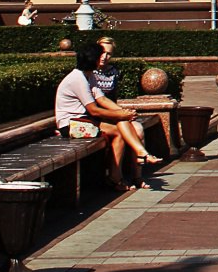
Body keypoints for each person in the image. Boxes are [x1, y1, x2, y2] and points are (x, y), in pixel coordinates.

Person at [54, 43, 158, 191]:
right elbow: (94, 110)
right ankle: (117, 176)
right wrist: (121, 114)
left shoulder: (88, 75)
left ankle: (137, 156)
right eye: (100, 56)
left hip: (84, 120)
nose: (102, 59)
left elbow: (101, 99)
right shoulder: (78, 79)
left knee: (121, 123)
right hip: (71, 125)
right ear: (93, 59)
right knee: (118, 131)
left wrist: (124, 112)